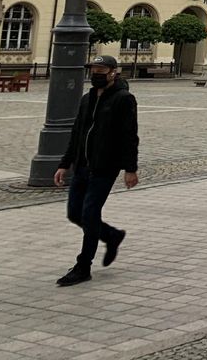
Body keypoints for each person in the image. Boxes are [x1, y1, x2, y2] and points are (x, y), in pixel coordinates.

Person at [52, 54, 138, 287]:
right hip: (82, 164)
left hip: (105, 167)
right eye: (93, 69)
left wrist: (131, 169)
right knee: (74, 213)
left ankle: (83, 266)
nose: (96, 74)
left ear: (113, 72)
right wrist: (64, 163)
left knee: (89, 214)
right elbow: (77, 133)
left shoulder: (124, 99)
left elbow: (130, 136)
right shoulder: (86, 98)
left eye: (101, 70)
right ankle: (111, 235)